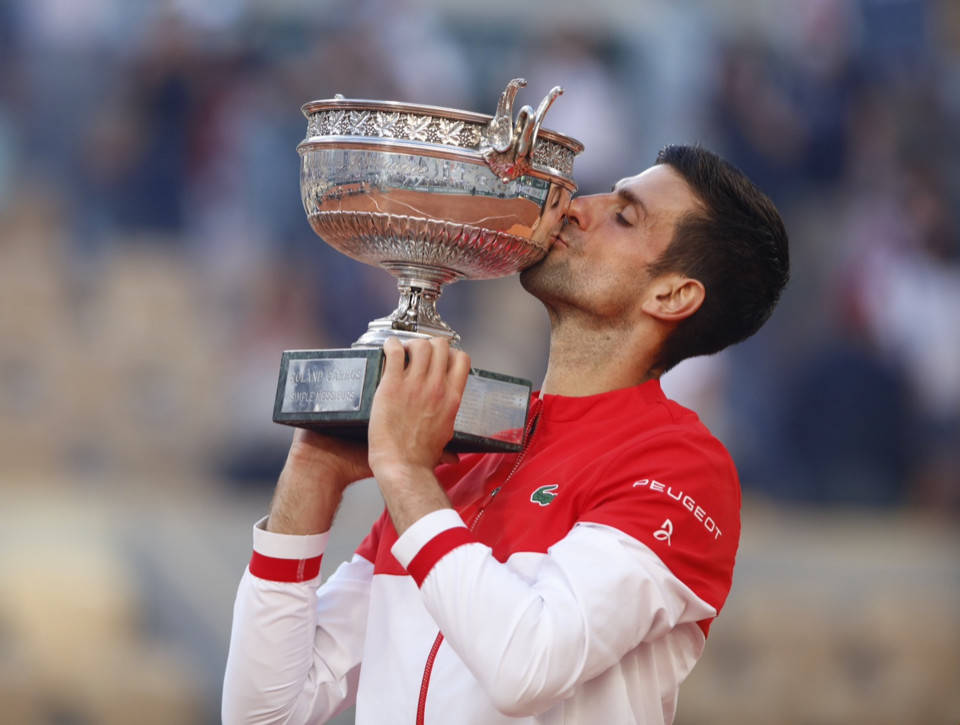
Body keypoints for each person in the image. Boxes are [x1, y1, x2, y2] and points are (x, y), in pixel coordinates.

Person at [222, 144, 790, 724]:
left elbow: (526, 667)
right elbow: (265, 715)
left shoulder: (678, 464)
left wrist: (406, 472)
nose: (575, 207)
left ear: (671, 295)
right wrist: (314, 469)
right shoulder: (468, 452)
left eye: (623, 216)